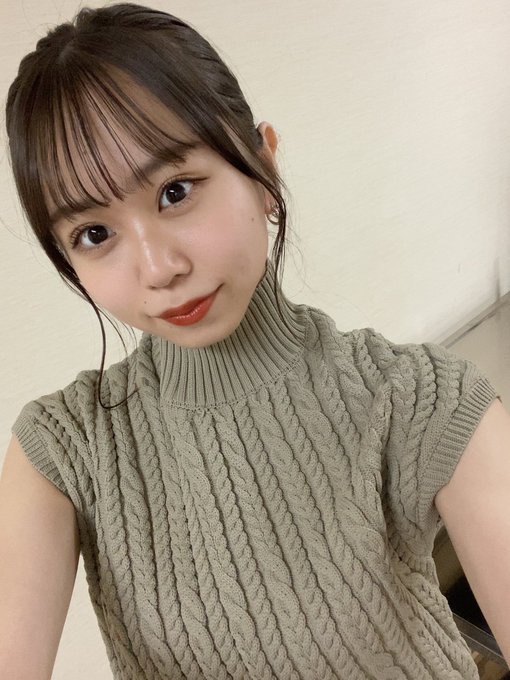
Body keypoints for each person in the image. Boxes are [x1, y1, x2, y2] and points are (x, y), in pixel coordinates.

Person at [1, 3, 509, 679]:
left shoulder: (418, 400)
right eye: (95, 234)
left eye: (175, 191)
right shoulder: (65, 450)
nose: (158, 269)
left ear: (263, 168)